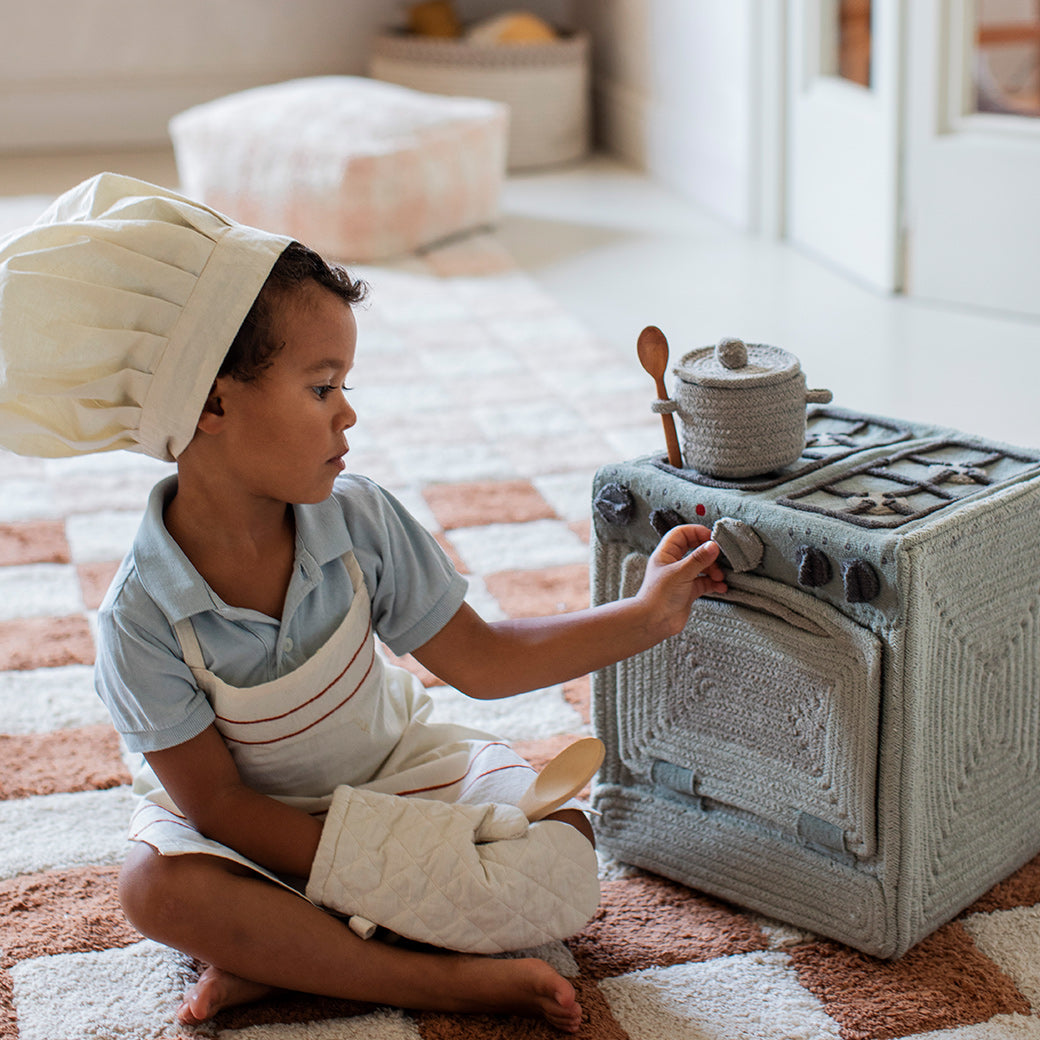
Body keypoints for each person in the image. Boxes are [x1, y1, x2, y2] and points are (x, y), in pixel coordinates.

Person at [0, 175, 726, 1034]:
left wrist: (644, 614)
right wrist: (381, 868)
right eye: (321, 388)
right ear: (212, 403)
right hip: (264, 836)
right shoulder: (140, 620)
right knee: (153, 890)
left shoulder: (361, 520)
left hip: (403, 778)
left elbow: (485, 662)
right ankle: (446, 981)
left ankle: (297, 956)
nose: (349, 414)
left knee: (565, 854)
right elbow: (219, 809)